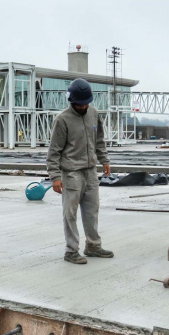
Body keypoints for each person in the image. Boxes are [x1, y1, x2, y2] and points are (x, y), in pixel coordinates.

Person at [47, 79, 113, 265]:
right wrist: (55, 177)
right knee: (70, 214)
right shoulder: (62, 120)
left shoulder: (94, 114)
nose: (84, 106)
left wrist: (104, 160)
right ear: (72, 100)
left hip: (90, 171)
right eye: (80, 103)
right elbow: (54, 151)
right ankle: (71, 251)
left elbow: (99, 140)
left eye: (86, 103)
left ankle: (93, 246)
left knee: (92, 211)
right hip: (71, 173)